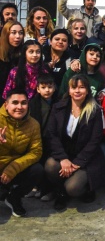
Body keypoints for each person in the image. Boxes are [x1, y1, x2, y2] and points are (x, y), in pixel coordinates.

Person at [45, 74, 105, 211]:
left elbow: (95, 140)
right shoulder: (58, 107)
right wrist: (63, 158)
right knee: (50, 165)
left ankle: (87, 189)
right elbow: (52, 134)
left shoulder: (95, 110)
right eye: (74, 87)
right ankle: (60, 192)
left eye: (81, 87)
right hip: (65, 154)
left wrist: (78, 162)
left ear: (87, 90)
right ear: (69, 90)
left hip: (86, 158)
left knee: (73, 188)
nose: (77, 91)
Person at [0, 89, 43, 217]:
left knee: (38, 170)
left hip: (14, 169)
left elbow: (36, 151)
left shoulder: (33, 124)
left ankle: (14, 197)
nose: (19, 107)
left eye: (23, 103)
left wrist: (13, 168)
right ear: (6, 105)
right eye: (15, 103)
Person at [28, 73, 59, 200]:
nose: (47, 90)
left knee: (49, 166)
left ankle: (49, 190)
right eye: (44, 87)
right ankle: (36, 187)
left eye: (50, 87)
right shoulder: (33, 104)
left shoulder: (58, 102)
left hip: (53, 140)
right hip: (38, 139)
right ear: (38, 89)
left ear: (55, 88)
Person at [0, 21, 24, 105]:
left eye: (21, 33)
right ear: (6, 34)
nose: (18, 36)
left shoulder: (22, 56)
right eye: (13, 33)